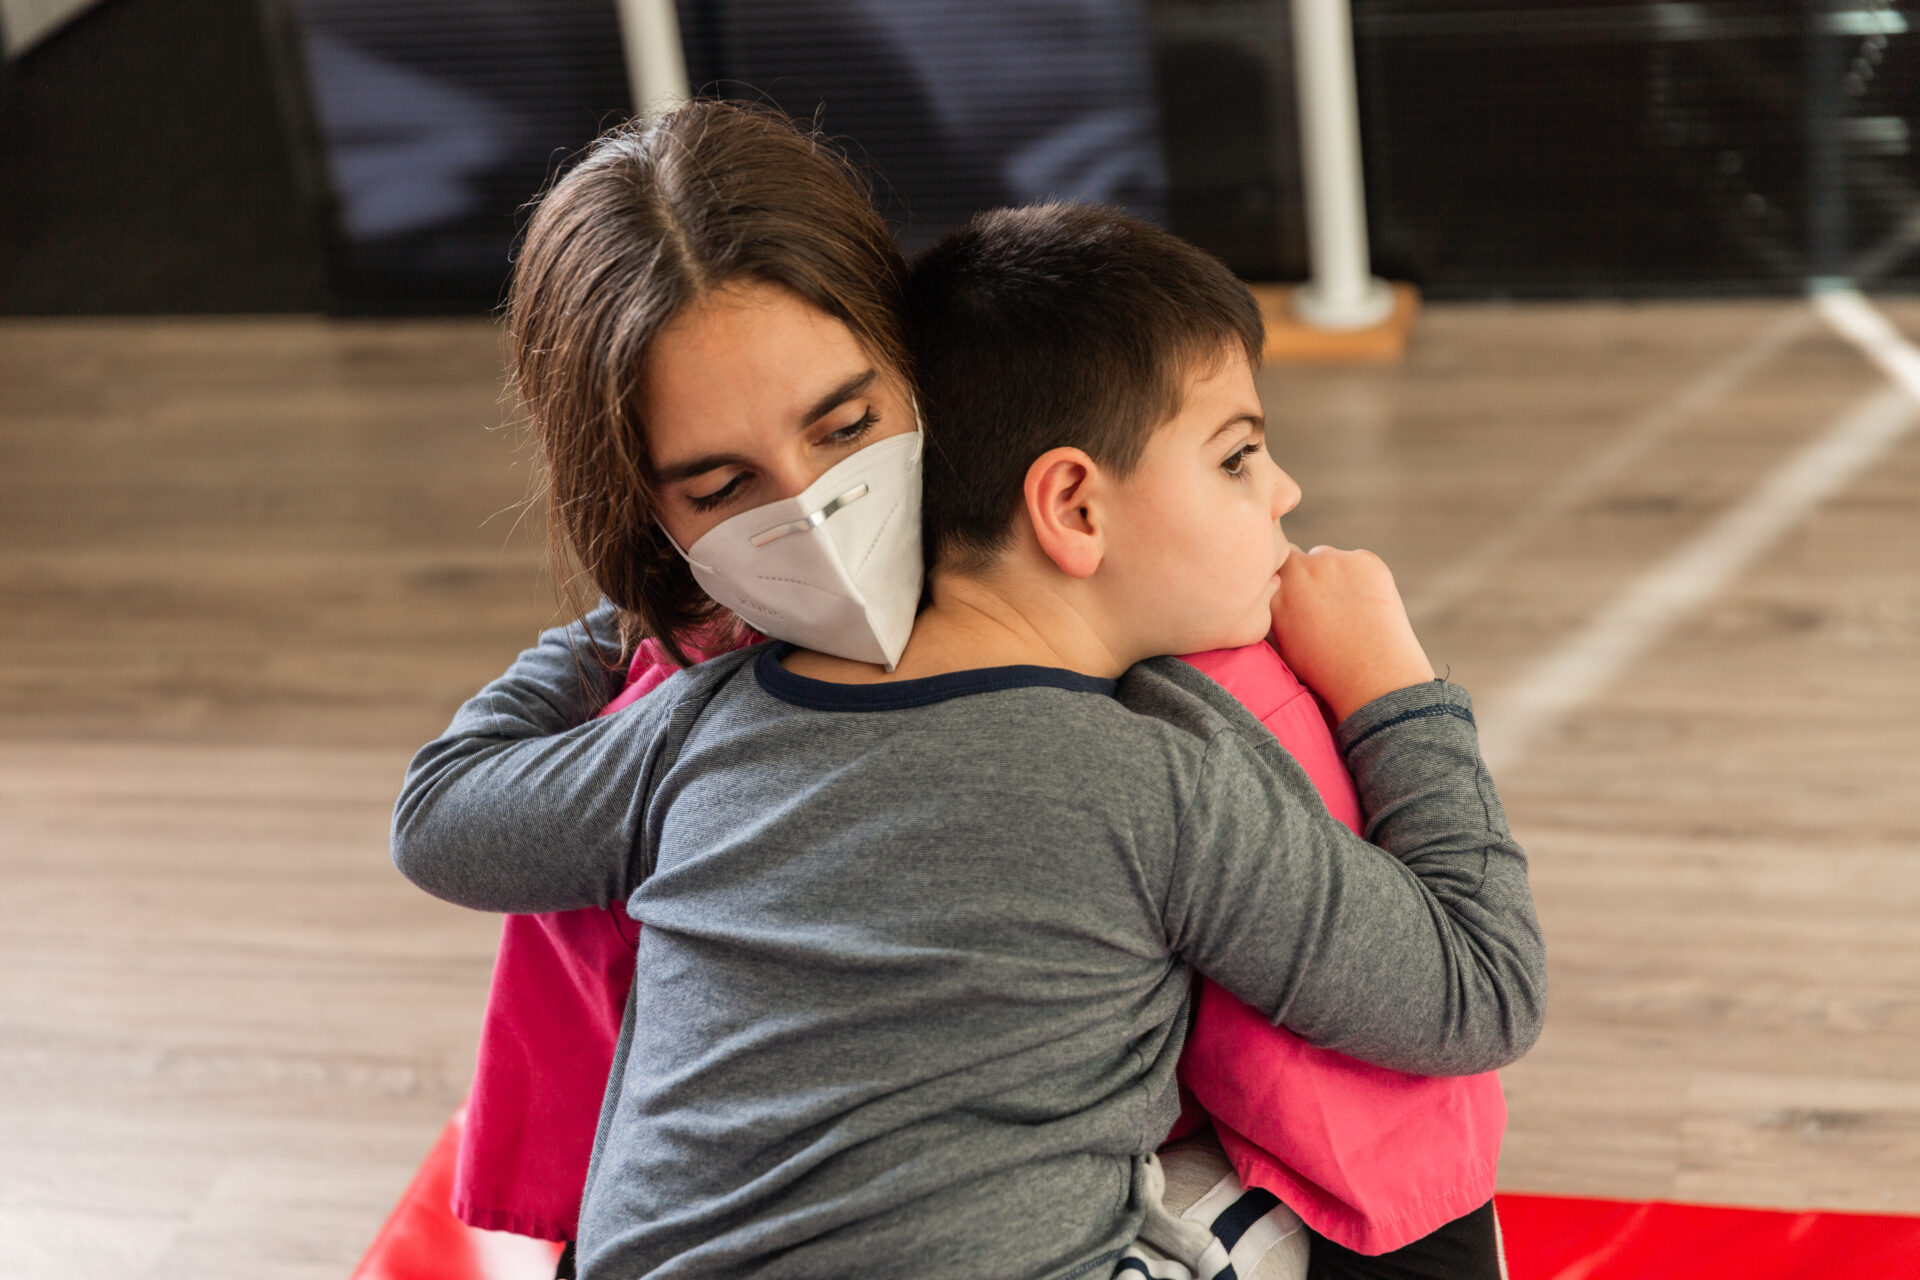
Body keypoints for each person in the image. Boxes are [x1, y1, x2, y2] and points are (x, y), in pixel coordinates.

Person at [393, 151, 1546, 1277]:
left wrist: (639, 618)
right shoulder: (1164, 772)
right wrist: (1396, 688)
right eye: (720, 487)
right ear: (1071, 502)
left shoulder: (694, 723)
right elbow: (1483, 991)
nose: (811, 511)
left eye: (845, 428)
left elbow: (439, 811)